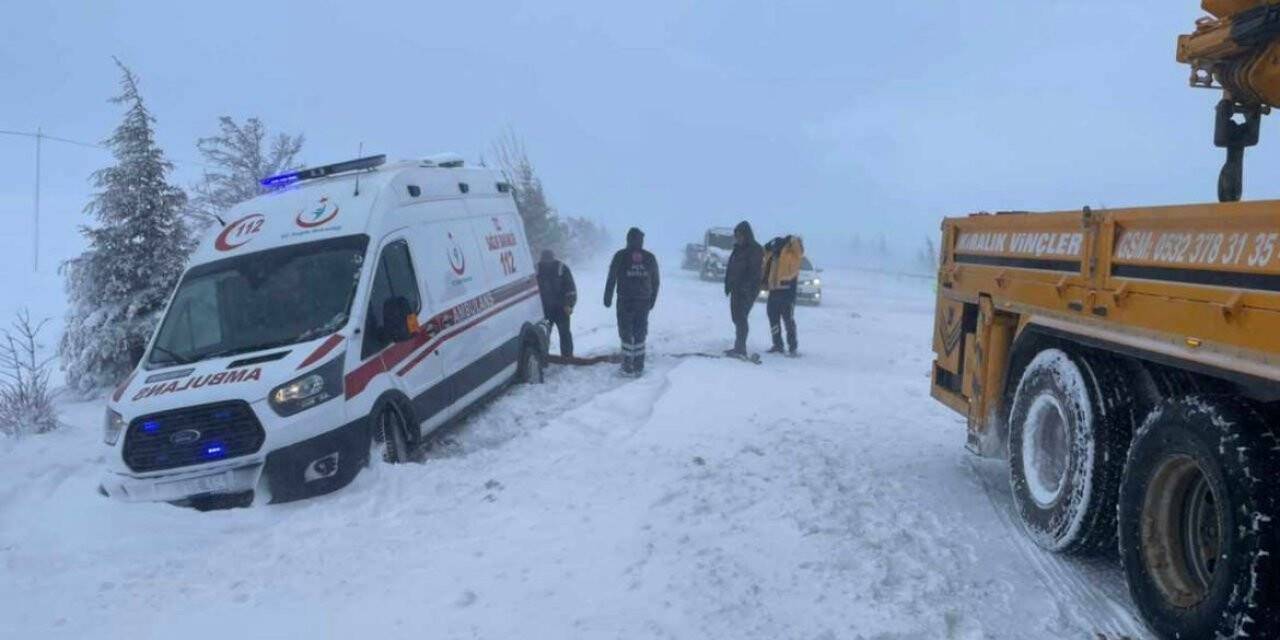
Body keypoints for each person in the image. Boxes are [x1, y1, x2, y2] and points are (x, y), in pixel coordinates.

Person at [604, 227, 660, 375]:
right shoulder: (649, 257)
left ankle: (627, 365)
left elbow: (611, 277)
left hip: (625, 301)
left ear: (628, 239)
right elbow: (656, 282)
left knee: (626, 332)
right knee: (640, 333)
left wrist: (607, 297)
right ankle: (639, 365)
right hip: (643, 301)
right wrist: (652, 300)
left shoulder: (620, 256)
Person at [723, 220, 763, 357]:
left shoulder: (755, 249)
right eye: (736, 236)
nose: (737, 238)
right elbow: (731, 267)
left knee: (741, 317)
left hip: (747, 291)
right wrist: (728, 284)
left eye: (740, 235)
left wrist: (747, 289)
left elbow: (755, 272)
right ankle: (738, 346)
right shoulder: (738, 249)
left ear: (747, 235)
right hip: (735, 289)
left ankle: (740, 348)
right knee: (736, 317)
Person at [762, 235, 804, 355]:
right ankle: (777, 344)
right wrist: (769, 244)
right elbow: (763, 252)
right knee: (773, 319)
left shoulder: (792, 254)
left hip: (788, 292)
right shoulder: (773, 254)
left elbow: (799, 250)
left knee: (788, 321)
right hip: (773, 291)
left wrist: (791, 239)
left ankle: (793, 347)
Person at [536, 249, 577, 358]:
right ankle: (543, 358)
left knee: (564, 334)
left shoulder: (561, 268)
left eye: (548, 261)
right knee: (543, 336)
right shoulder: (536, 269)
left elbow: (570, 288)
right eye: (545, 261)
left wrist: (569, 304)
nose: (547, 263)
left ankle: (567, 357)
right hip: (544, 310)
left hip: (561, 309)